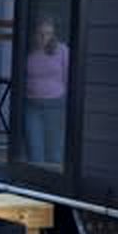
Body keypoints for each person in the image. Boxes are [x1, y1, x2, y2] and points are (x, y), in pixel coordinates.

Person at [25, 15, 68, 165]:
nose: (44, 37)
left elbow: (69, 77)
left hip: (55, 105)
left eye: (48, 34)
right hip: (32, 105)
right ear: (34, 34)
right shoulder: (26, 52)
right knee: (35, 152)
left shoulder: (62, 50)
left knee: (55, 152)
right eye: (40, 33)